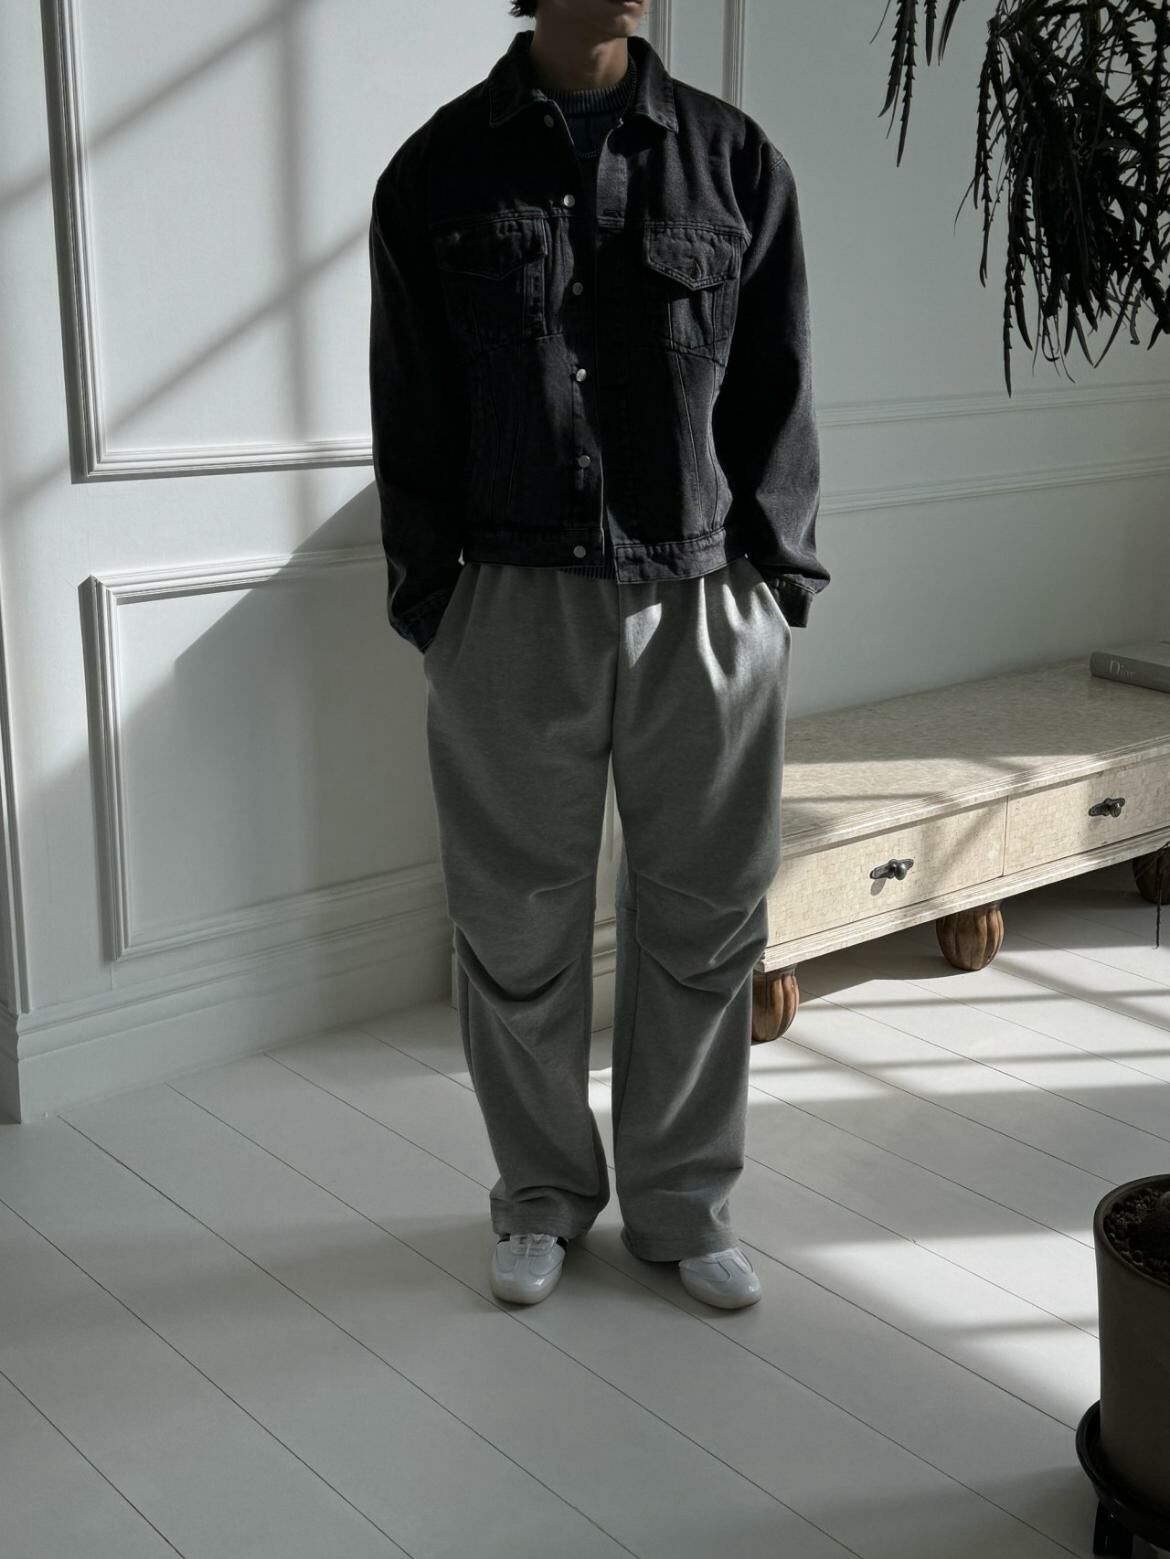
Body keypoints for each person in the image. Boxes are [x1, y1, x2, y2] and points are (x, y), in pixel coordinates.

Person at [368, 0, 828, 1311]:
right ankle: (540, 1197)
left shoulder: (732, 157)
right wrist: (436, 601)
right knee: (515, 923)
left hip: (704, 594)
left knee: (705, 917)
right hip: (511, 598)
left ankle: (681, 1206)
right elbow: (409, 396)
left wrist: (775, 580)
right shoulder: (439, 167)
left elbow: (779, 380)